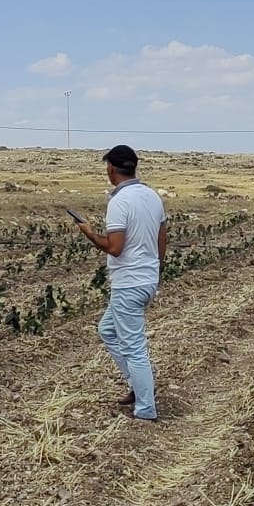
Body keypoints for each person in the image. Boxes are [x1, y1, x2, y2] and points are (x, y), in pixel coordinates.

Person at [72, 144, 167, 421]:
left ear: (110, 169)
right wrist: (154, 269)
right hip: (147, 279)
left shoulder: (119, 202)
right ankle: (139, 387)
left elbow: (114, 247)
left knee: (134, 348)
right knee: (107, 330)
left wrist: (89, 232)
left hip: (128, 284)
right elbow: (162, 241)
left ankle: (146, 409)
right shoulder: (152, 196)